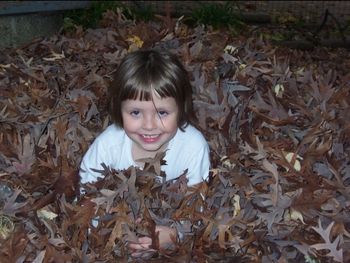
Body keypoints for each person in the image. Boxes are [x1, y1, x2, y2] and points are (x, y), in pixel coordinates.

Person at [79, 49, 210, 258]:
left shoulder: (193, 147)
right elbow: (88, 198)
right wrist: (112, 231)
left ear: (182, 109)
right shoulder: (107, 147)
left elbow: (197, 208)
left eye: (162, 112)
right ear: (119, 110)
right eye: (135, 113)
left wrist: (175, 236)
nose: (149, 126)